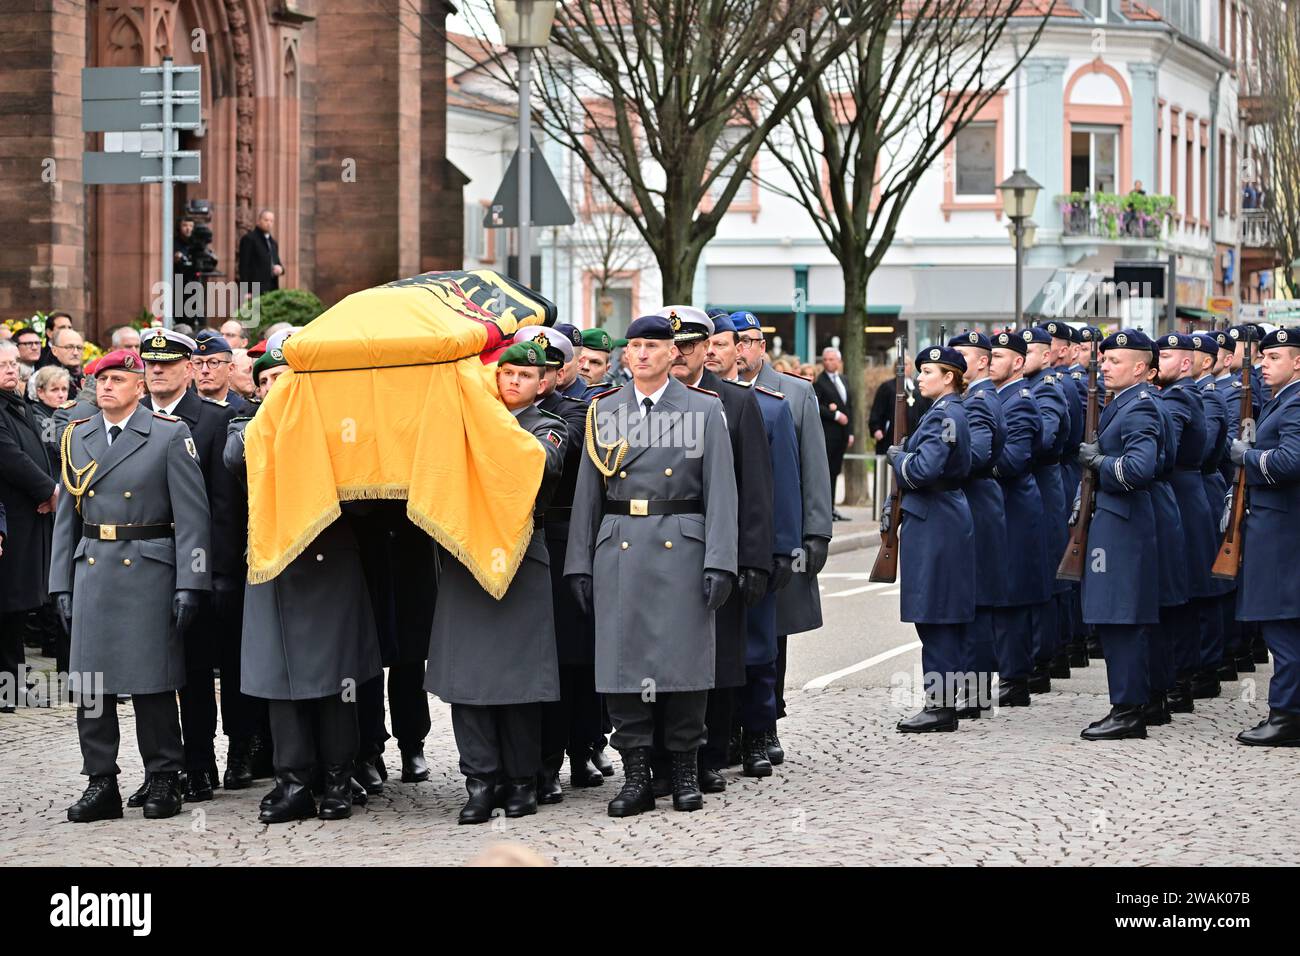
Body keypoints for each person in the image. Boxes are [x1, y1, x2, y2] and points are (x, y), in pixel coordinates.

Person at [565, 314, 738, 816]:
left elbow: (722, 493)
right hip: (620, 545)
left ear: (673, 355)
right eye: (634, 346)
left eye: (652, 346)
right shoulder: (605, 410)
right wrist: (579, 562)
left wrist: (721, 562)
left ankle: (685, 771)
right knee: (624, 667)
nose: (641, 354)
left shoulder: (703, 410)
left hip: (682, 544)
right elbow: (586, 496)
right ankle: (637, 775)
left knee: (683, 664)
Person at [51, 348, 211, 820]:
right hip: (93, 569)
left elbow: (193, 518)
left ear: (139, 387)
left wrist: (192, 582)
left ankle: (164, 777)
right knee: (92, 684)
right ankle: (101, 781)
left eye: (118, 379)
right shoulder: (76, 438)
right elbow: (67, 519)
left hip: (149, 569)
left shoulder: (167, 435)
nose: (106, 387)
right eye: (101, 380)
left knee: (152, 682)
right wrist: (60, 581)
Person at [426, 339, 565, 823]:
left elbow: (540, 465)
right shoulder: (464, 423)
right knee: (470, 682)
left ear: (543, 383)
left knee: (520, 682)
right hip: (467, 562)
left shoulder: (549, 426)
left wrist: (482, 420)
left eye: (525, 376)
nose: (513, 381)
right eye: (505, 373)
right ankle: (480, 781)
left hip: (522, 560)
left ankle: (522, 781)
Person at [225, 394, 382, 824]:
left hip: (329, 564)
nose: (278, 387)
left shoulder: (340, 427)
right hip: (274, 564)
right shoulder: (246, 425)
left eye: (286, 379)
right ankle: (291, 783)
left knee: (337, 684)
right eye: (269, 380)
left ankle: (337, 783)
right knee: (280, 682)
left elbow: (365, 498)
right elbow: (233, 458)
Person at [662, 306, 775, 786]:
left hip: (718, 548)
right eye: (675, 346)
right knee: (666, 656)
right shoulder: (644, 404)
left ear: (708, 349)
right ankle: (667, 758)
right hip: (663, 554)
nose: (681, 354)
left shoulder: (734, 401)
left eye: (690, 345)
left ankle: (711, 756)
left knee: (722, 656)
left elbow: (755, 491)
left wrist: (751, 560)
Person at [139, 328, 253, 801]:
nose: (159, 371)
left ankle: (229, 754)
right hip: (152, 569)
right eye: (151, 365)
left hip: (205, 568)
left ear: (189, 369)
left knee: (218, 666)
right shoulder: (138, 419)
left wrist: (219, 572)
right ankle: (185, 763)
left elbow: (223, 508)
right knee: (178, 673)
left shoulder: (210, 419)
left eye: (169, 364)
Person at [731, 311, 831, 762]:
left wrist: (817, 532)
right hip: (735, 535)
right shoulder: (716, 394)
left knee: (774, 633)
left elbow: (813, 466)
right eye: (737, 341)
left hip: (779, 532)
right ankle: (735, 726)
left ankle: (768, 722)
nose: (744, 349)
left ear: (762, 347)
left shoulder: (795, 391)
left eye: (752, 341)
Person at [1074, 329, 1161, 740]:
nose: (1105, 366)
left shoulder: (1140, 408)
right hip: (1116, 519)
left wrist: (1101, 462)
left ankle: (1128, 710)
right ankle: (1127, 704)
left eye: (1114, 361)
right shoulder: (1123, 403)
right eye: (1104, 360)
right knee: (1114, 617)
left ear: (1141, 368)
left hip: (1123, 521)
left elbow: (1140, 469)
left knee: (1121, 617)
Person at [885, 344, 974, 731]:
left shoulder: (946, 415)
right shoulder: (943, 413)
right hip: (938, 516)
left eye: (927, 372)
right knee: (937, 615)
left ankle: (940, 706)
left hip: (937, 518)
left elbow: (921, 471)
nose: (919, 378)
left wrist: (897, 457)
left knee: (937, 615)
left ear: (949, 377)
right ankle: (942, 702)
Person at [1231, 326, 1300, 745]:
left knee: (1282, 627)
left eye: (1274, 357)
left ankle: (1287, 715)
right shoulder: (1283, 400)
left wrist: (1249, 457)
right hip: (1278, 527)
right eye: (1264, 357)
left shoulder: (1295, 404)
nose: (1264, 364)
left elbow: (1291, 461)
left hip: (1282, 531)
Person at [1155, 332, 1219, 710]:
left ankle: (1182, 680)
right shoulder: (1177, 394)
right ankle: (1182, 677)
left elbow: (1170, 447)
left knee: (1180, 595)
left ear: (1184, 363)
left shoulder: (1180, 395)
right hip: (1184, 493)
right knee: (1182, 592)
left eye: (1164, 357)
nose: (1156, 363)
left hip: (1180, 495)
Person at [985, 330, 1047, 707]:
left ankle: (1015, 678)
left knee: (1013, 596)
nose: (991, 360)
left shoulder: (1020, 401)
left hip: (1015, 506)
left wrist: (971, 460)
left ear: (1018, 363)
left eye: (999, 355)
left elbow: (1012, 460)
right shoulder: (997, 397)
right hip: (1000, 506)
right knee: (999, 592)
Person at [950, 331, 1008, 715]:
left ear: (982, 361)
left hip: (977, 503)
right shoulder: (978, 398)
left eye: (962, 357)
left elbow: (976, 454)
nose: (955, 365)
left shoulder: (979, 402)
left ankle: (975, 690)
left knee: (976, 602)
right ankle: (975, 688)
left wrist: (933, 460)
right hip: (980, 502)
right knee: (973, 600)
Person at [0, 341, 58, 714]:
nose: (11, 369)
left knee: (18, 608)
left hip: (26, 517)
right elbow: (9, 456)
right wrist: (48, 488)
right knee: (6, 605)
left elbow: (37, 450)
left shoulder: (14, 403)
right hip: (9, 519)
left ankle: (14, 681)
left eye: (13, 363)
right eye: (3, 364)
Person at [1020, 327, 1072, 690]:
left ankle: (1043, 661)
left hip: (1044, 481)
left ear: (1048, 354)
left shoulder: (1048, 389)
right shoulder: (1031, 388)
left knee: (1045, 573)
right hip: (1035, 481)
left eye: (1031, 351)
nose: (1023, 357)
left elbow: (1045, 438)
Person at [1190, 332, 1233, 693]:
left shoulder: (1211, 398)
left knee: (1206, 581)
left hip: (1204, 489)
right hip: (1194, 489)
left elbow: (1202, 451)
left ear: (1206, 361)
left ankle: (1206, 668)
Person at [814, 347, 855, 521]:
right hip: (827, 434)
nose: (828, 362)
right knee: (827, 472)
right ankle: (826, 509)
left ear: (839, 361)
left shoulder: (844, 380)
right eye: (826, 359)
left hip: (842, 436)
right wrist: (835, 415)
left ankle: (832, 507)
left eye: (832, 359)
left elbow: (849, 408)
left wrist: (851, 432)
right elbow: (816, 406)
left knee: (835, 471)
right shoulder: (819, 382)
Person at [869, 355, 930, 454]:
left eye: (905, 364)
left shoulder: (920, 386)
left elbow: (927, 409)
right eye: (899, 364)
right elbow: (877, 410)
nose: (902, 367)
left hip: (916, 435)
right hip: (891, 435)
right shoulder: (887, 387)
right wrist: (876, 429)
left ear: (911, 367)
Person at [191, 332, 250, 413]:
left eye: (213, 363)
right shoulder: (181, 409)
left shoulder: (245, 411)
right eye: (198, 363)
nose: (204, 370)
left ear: (231, 369)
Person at [237, 208, 283, 296]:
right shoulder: (249, 239)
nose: (269, 223)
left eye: (271, 221)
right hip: (255, 289)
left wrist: (281, 269)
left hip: (272, 289)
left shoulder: (273, 243)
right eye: (266, 220)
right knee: (255, 310)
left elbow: (277, 263)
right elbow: (243, 267)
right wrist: (245, 291)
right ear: (259, 221)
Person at [48, 328, 85, 393]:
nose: (75, 353)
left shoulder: (83, 376)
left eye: (79, 348)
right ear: (54, 351)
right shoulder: (46, 378)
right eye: (69, 347)